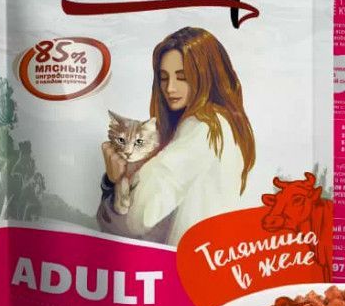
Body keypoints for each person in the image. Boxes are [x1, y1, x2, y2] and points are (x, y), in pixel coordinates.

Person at [97, 27, 255, 246]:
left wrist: (114, 182)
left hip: (189, 260)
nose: (170, 88)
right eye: (164, 78)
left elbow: (137, 219)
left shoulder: (203, 127)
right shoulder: (226, 125)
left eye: (182, 77)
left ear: (206, 76)